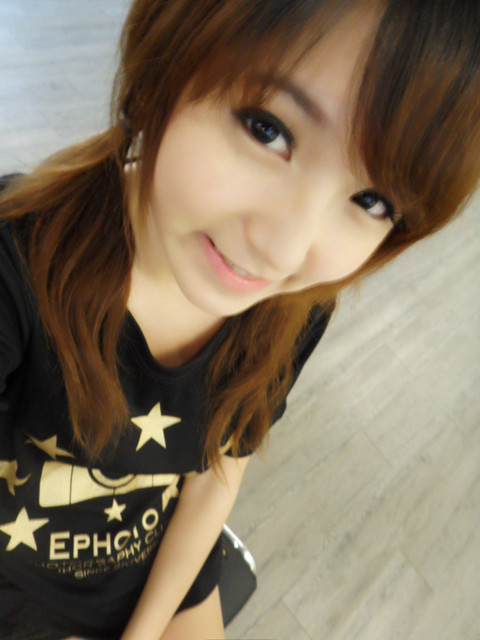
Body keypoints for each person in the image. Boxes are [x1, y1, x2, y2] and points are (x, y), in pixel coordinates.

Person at [0, 0, 479, 638]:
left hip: (154, 557)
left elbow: (215, 478)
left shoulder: (292, 311)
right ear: (168, 55)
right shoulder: (18, 267)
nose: (283, 252)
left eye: (371, 199)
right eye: (267, 129)